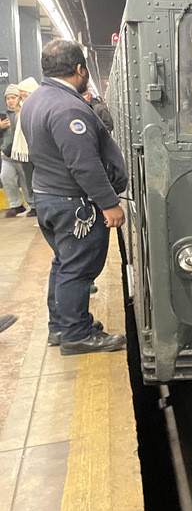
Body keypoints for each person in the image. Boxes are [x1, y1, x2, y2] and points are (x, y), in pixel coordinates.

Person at [19, 40, 128, 355]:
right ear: (80, 69)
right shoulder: (67, 108)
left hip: (49, 196)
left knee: (64, 264)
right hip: (73, 203)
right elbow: (84, 164)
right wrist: (110, 203)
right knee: (78, 268)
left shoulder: (36, 100)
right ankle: (77, 334)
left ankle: (61, 327)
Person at [6, 79, 38, 217]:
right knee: (26, 178)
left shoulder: (35, 107)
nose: (21, 94)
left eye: (24, 91)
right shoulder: (18, 110)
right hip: (21, 152)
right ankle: (31, 205)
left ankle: (36, 205)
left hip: (34, 150)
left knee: (33, 179)